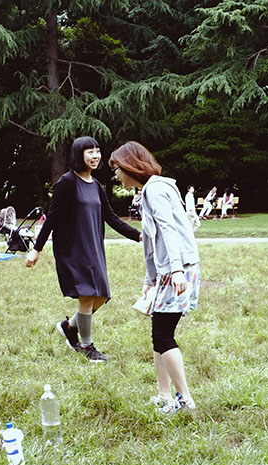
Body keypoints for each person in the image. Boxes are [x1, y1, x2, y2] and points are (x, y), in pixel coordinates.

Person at [25, 136, 141, 363]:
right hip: (72, 249)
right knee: (87, 296)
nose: (95, 156)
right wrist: (36, 249)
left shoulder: (96, 185)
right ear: (79, 154)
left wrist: (138, 236)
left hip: (93, 247)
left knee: (102, 296)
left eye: (97, 151)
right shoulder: (66, 182)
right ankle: (87, 347)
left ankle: (69, 327)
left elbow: (110, 217)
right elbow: (51, 219)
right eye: (90, 151)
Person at [109, 141, 200, 413]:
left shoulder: (156, 189)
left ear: (130, 167)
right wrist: (150, 280)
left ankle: (184, 399)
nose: (116, 176)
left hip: (178, 269)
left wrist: (176, 270)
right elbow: (151, 240)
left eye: (117, 169)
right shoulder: (149, 190)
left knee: (163, 335)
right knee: (158, 333)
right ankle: (164, 395)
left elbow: (168, 229)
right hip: (170, 270)